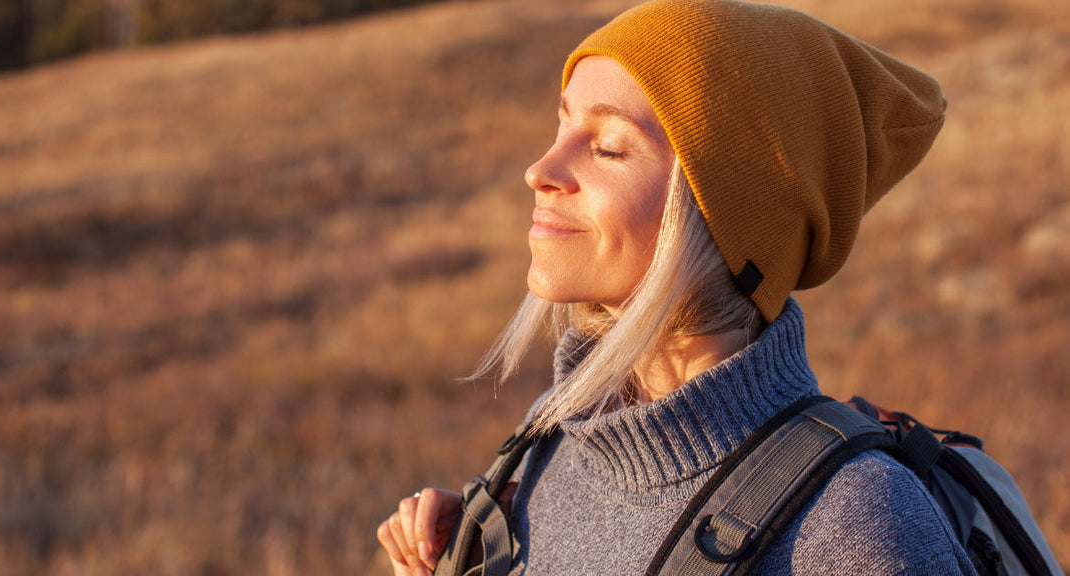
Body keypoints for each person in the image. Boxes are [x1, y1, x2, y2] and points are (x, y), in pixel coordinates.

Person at [378, 0, 975, 574]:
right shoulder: (555, 434)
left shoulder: (856, 526)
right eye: (561, 124)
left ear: (724, 220)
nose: (541, 170)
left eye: (610, 148)